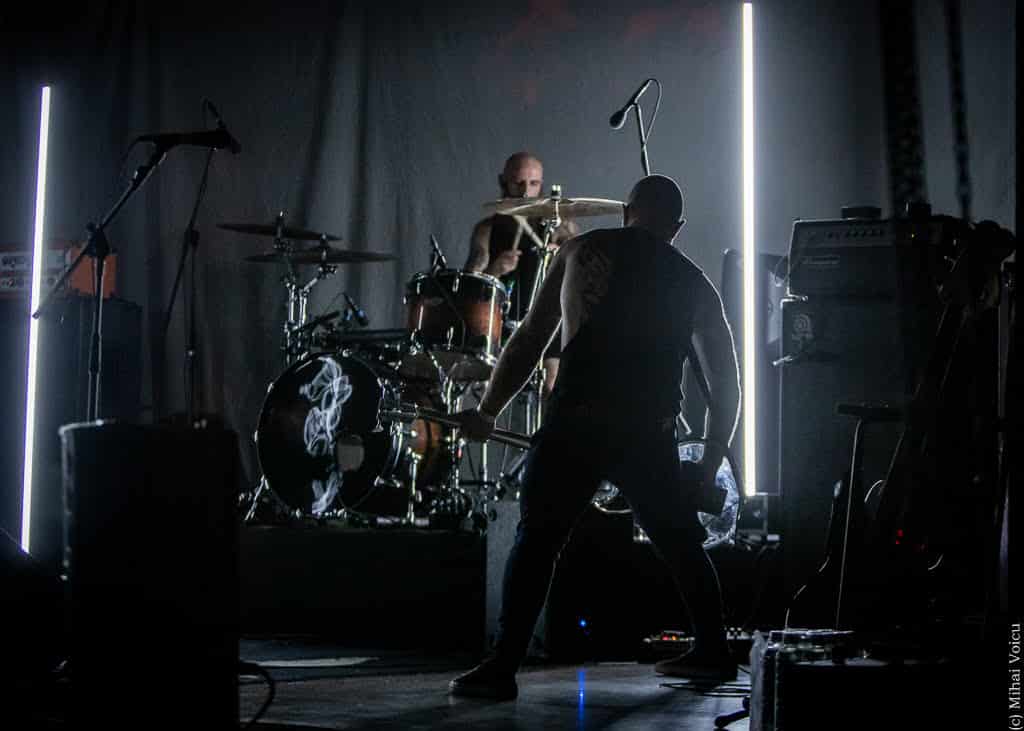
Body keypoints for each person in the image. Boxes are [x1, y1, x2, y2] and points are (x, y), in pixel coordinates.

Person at [449, 174, 741, 700]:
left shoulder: (580, 251)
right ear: (677, 227)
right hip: (647, 433)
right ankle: (714, 649)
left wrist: (488, 411)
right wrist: (710, 458)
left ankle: (502, 666)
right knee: (679, 541)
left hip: (576, 423)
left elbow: (529, 340)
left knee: (537, 541)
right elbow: (727, 385)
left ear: (626, 213)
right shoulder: (695, 283)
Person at [464, 152, 578, 397]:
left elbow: (582, 272)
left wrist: (561, 255)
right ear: (504, 182)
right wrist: (495, 269)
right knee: (492, 389)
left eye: (534, 183)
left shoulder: (558, 227)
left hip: (548, 320)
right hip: (502, 325)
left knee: (552, 384)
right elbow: (470, 287)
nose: (526, 192)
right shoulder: (488, 230)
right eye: (519, 183)